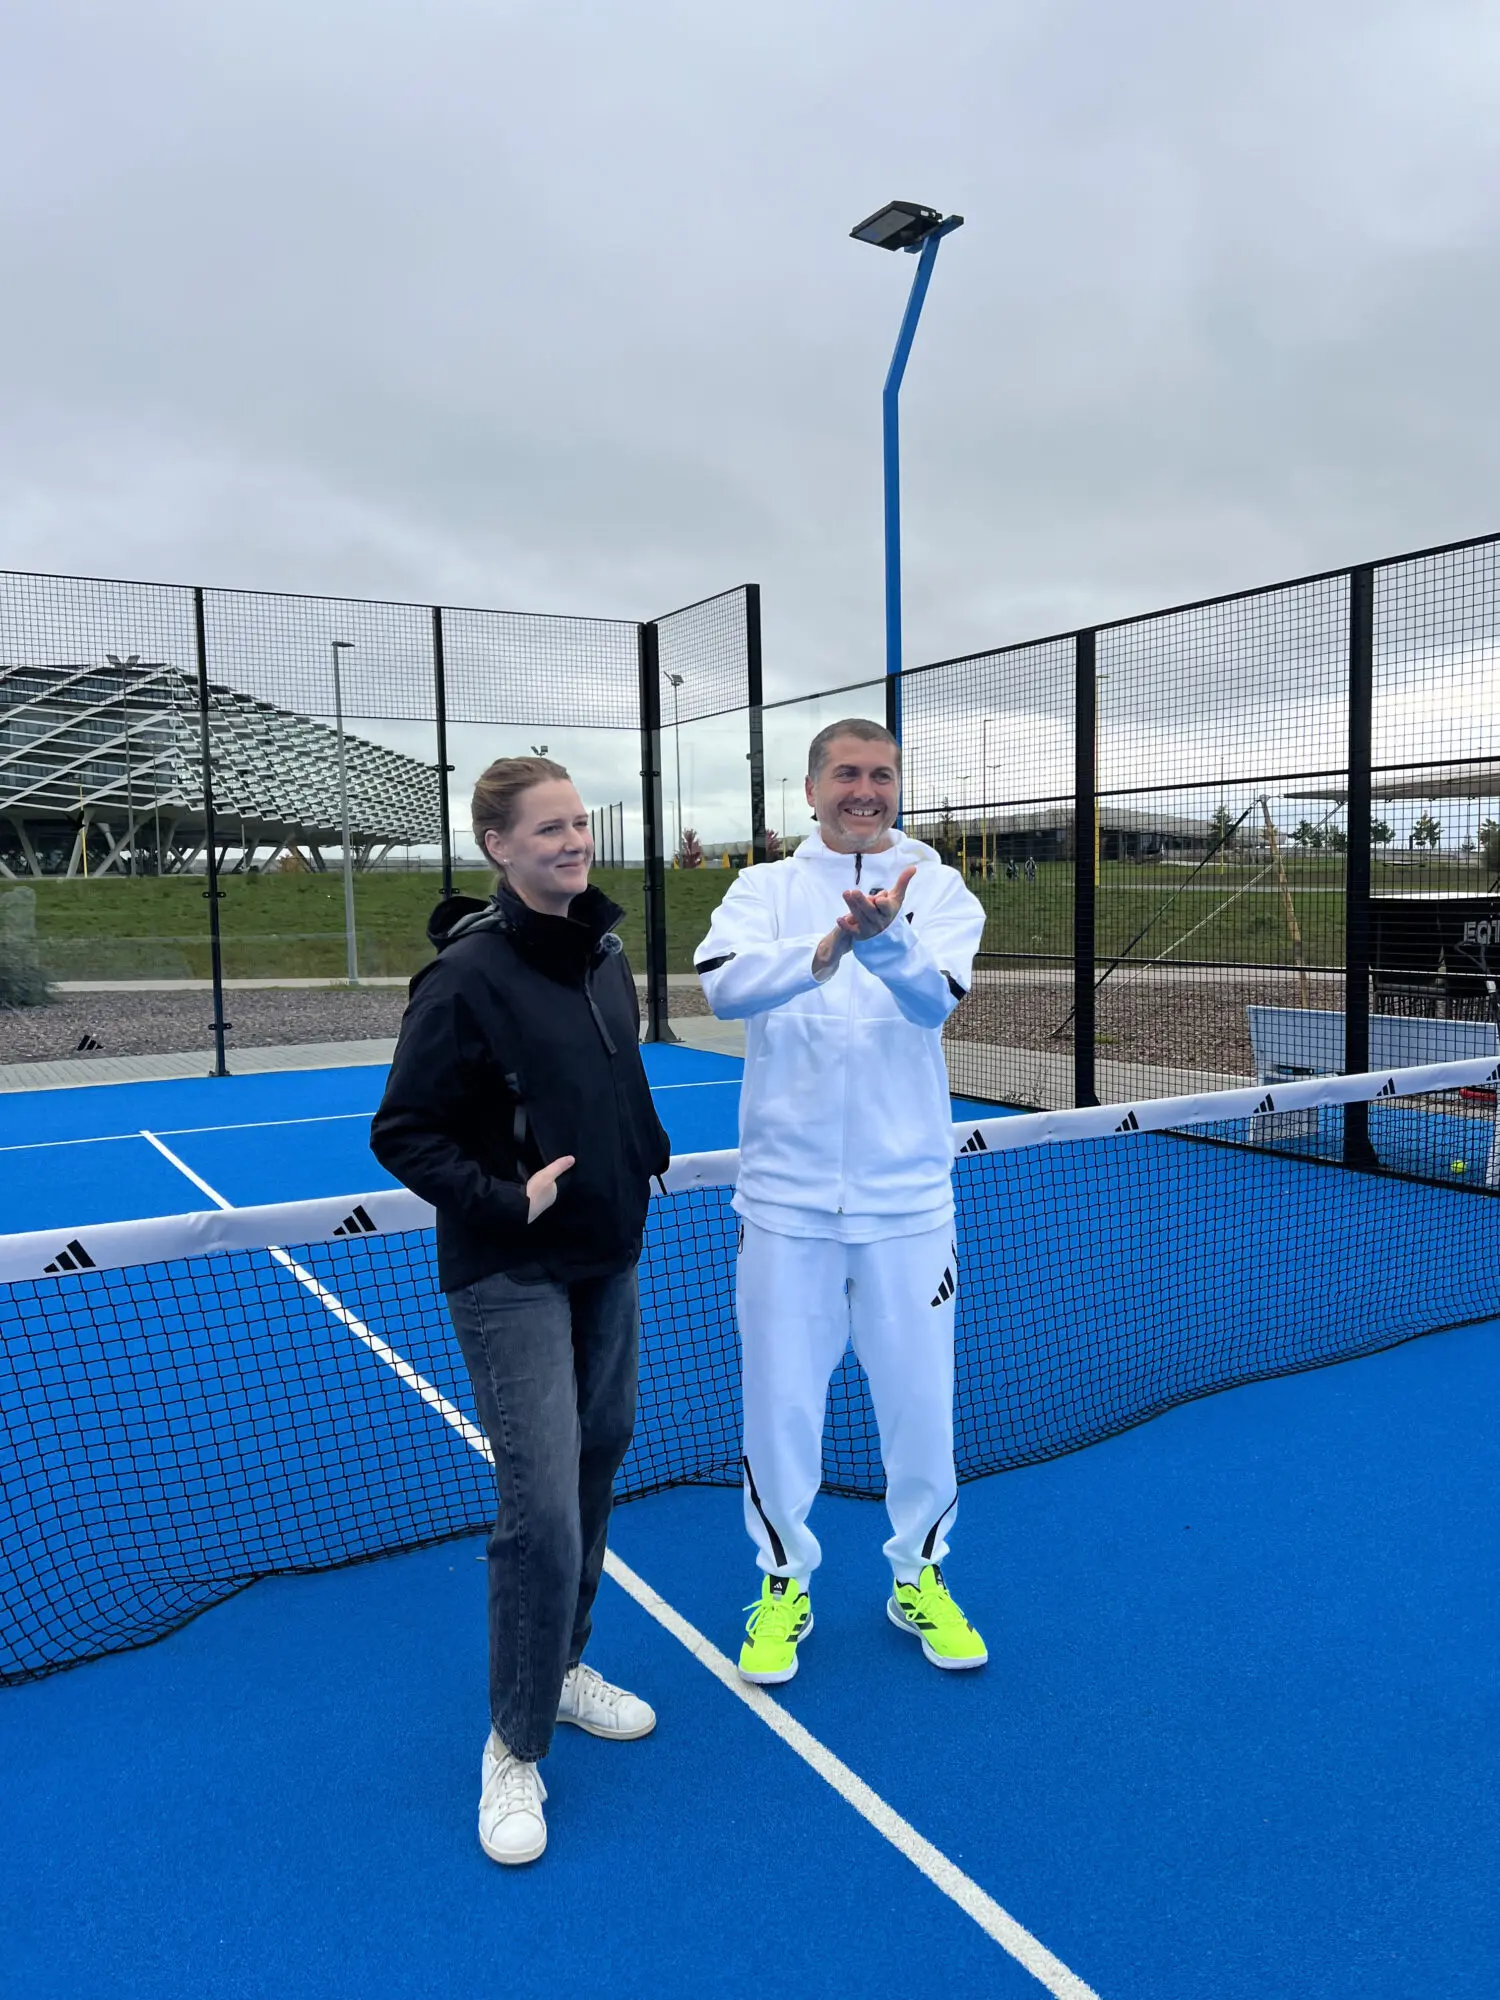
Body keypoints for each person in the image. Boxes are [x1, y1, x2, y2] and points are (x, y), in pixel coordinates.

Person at [371, 757, 670, 1868]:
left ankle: (565, 1662)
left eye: (579, 822)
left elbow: (612, 1076)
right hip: (509, 1271)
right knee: (538, 1507)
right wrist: (509, 1197)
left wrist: (646, 1151)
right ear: (499, 845)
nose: (571, 840)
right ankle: (513, 1741)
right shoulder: (463, 979)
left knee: (599, 1460)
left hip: (610, 1255)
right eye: (548, 827)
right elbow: (402, 1130)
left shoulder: (603, 953)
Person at [694, 718, 989, 1685]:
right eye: (848, 774)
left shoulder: (936, 887)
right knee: (780, 1406)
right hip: (784, 1209)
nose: (867, 790)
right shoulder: (762, 888)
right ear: (812, 789)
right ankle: (784, 1583)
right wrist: (828, 948)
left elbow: (936, 998)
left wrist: (885, 939)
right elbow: (725, 991)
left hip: (911, 1209)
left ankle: (921, 1577)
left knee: (921, 1406)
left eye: (883, 775)